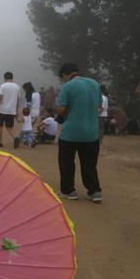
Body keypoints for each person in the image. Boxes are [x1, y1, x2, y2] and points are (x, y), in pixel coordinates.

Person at [55, 63, 102, 203]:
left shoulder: (67, 87)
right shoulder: (94, 84)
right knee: (89, 164)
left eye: (62, 78)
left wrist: (62, 109)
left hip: (71, 133)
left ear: (65, 75)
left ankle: (68, 191)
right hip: (92, 133)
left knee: (66, 162)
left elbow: (61, 110)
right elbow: (99, 107)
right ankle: (95, 191)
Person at [0, 72, 21, 148]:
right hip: (11, 110)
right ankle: (15, 137)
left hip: (1, 110)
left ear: (5, 78)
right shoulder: (17, 87)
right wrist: (16, 111)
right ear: (12, 77)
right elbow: (18, 100)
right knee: (9, 127)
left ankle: (0, 142)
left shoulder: (3, 86)